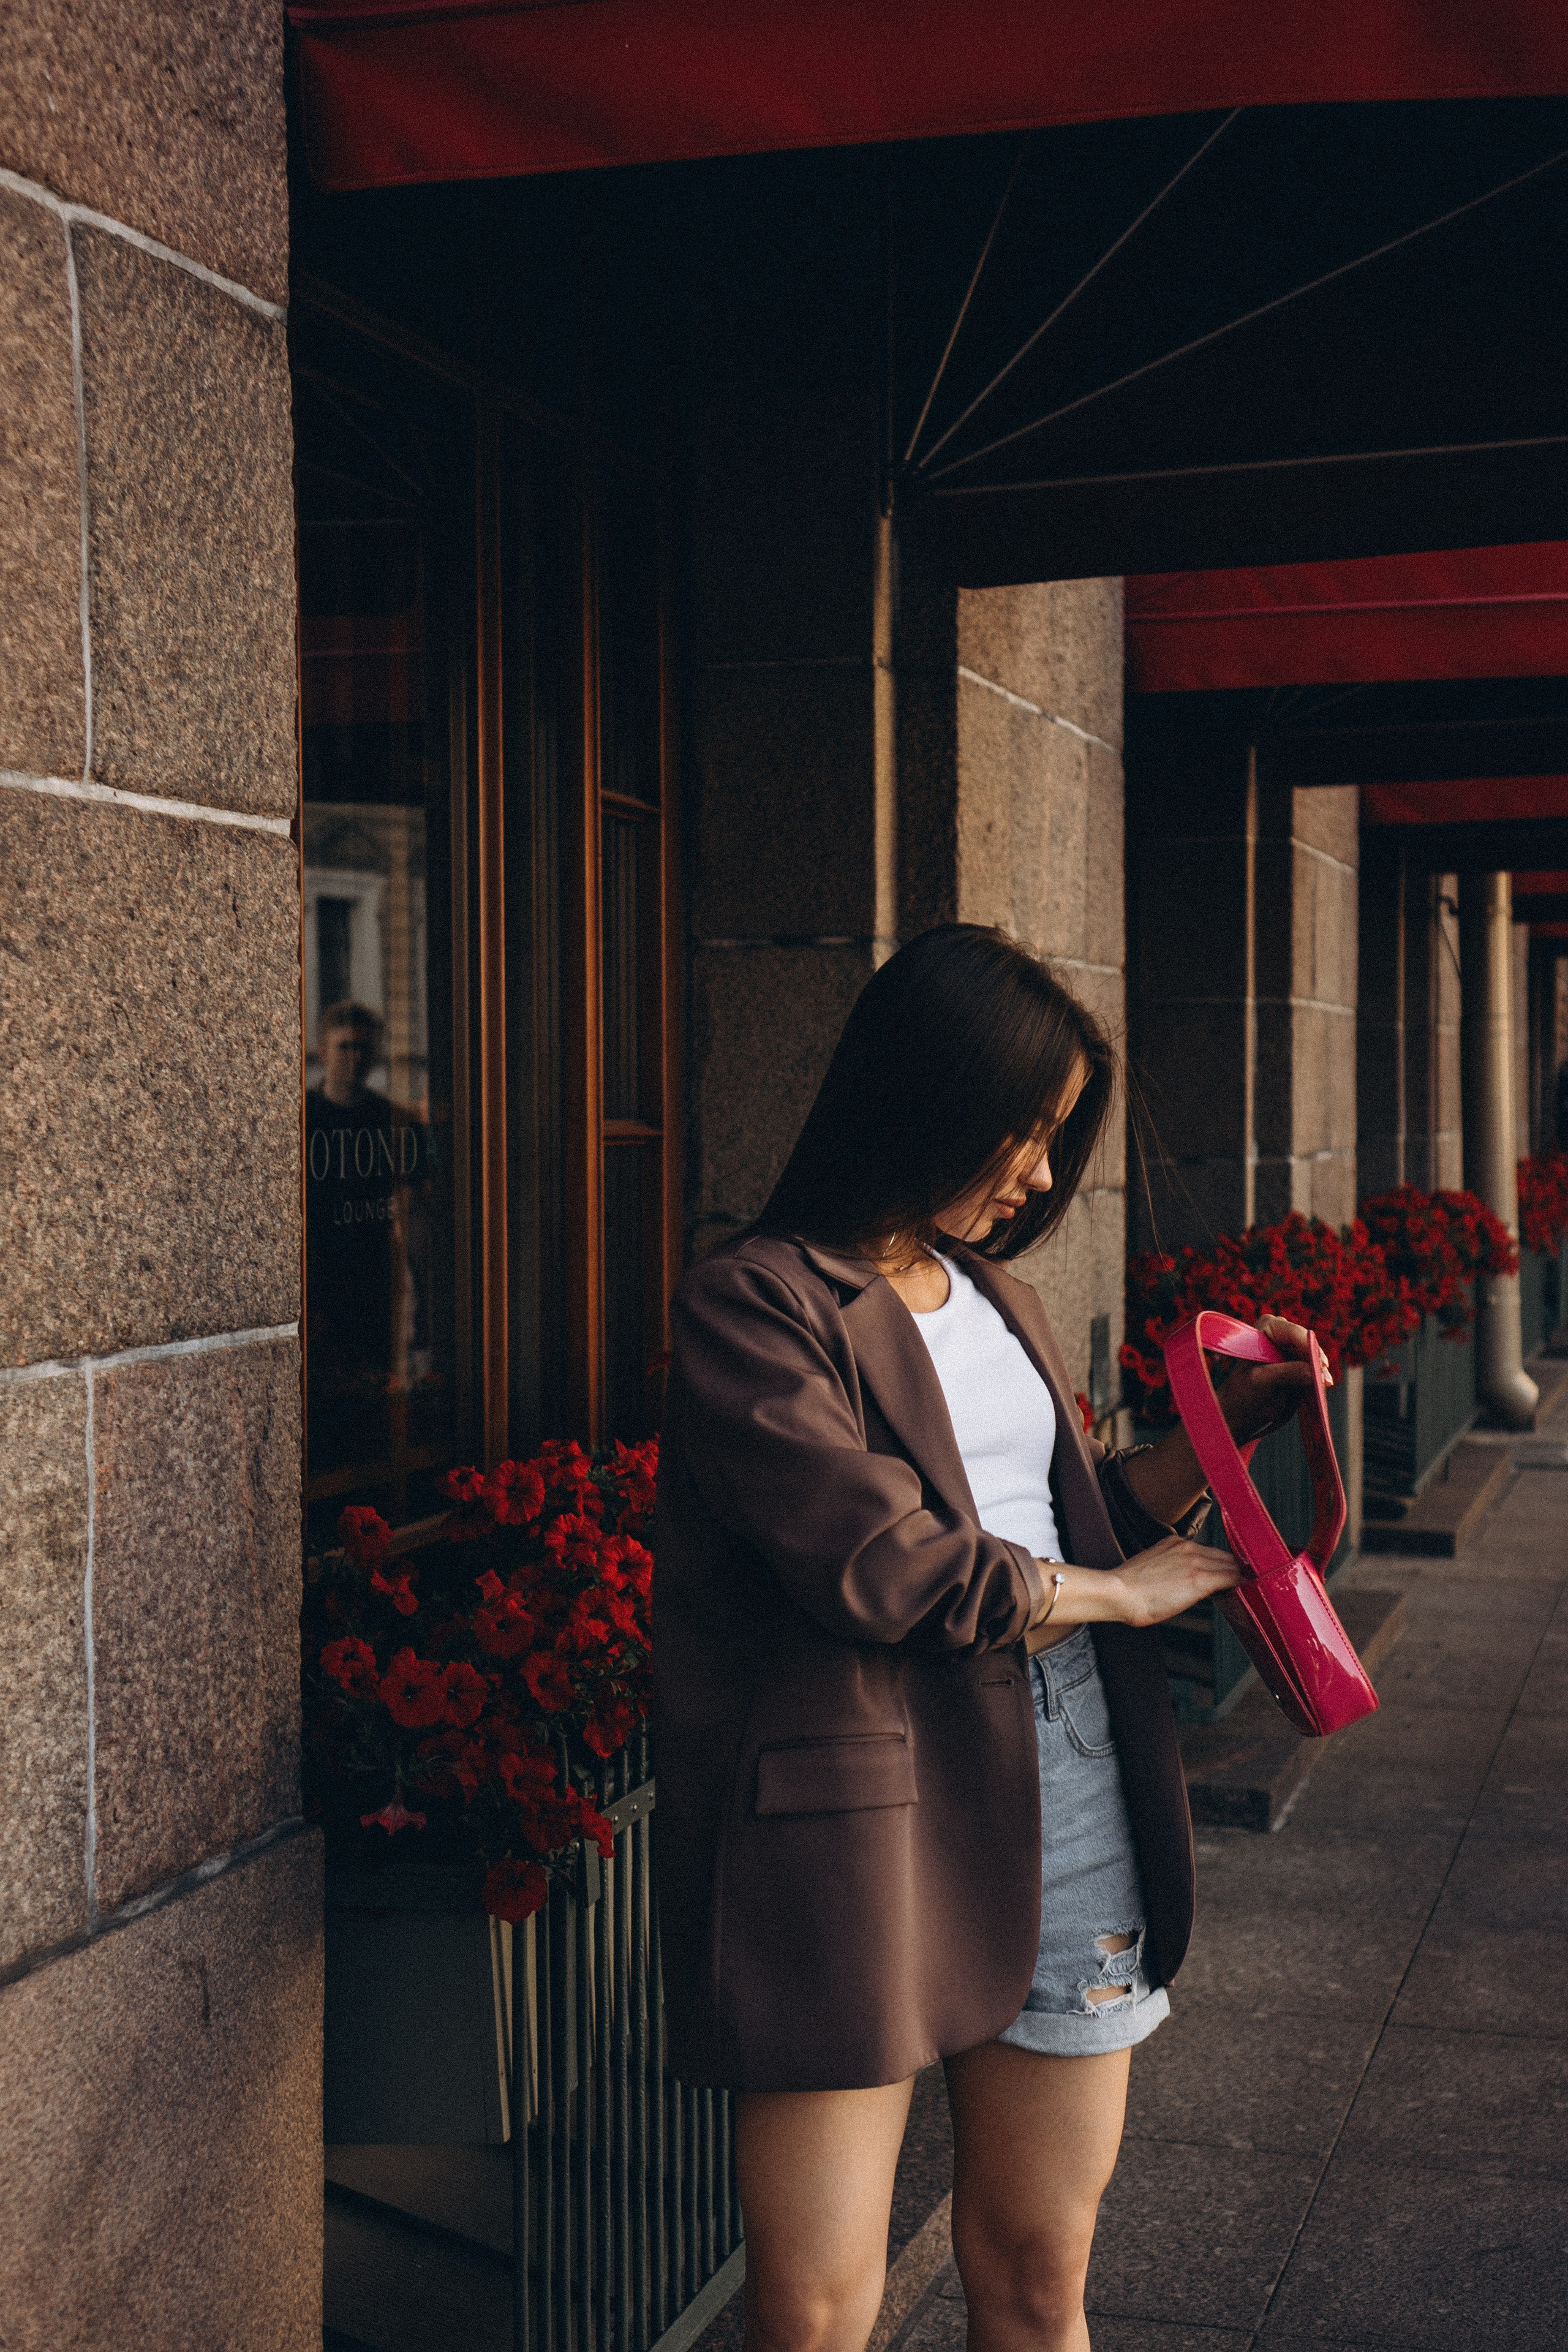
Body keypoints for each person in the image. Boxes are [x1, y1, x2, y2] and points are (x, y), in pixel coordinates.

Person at [653, 925, 1324, 2352]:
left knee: (1033, 2272)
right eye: (1021, 1133)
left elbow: (1057, 1518)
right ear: (921, 1098)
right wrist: (1121, 1596)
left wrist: (1223, 1437)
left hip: (1068, 1773)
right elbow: (881, 1565)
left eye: (1054, 1140)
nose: (1035, 1177)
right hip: (857, 1810)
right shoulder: (751, 1302)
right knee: (817, 2309)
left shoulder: (994, 1297)